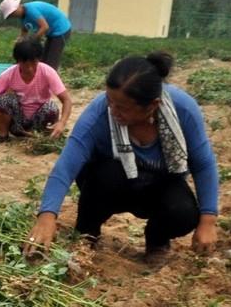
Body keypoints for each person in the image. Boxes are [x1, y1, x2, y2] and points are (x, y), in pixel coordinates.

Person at [24, 52, 219, 262]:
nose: (112, 110)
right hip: (111, 182)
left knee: (184, 213)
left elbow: (204, 165)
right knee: (102, 174)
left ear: (152, 106)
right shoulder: (100, 113)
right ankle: (87, 232)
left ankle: (157, 240)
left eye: (122, 108)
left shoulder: (183, 111)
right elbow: (66, 165)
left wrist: (208, 221)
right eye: (110, 101)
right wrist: (46, 215)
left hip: (160, 184)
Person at [0, 36, 72, 144]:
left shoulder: (48, 72)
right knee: (3, 100)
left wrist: (62, 122)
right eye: (25, 64)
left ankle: (42, 136)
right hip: (17, 124)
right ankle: (3, 135)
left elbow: (66, 100)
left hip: (38, 123)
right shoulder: (9, 74)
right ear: (18, 61)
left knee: (52, 108)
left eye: (33, 63)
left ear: (39, 59)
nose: (29, 68)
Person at [0, 0, 72, 70]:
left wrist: (32, 40)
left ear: (17, 7)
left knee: (51, 61)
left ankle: (51, 79)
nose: (13, 16)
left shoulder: (31, 10)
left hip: (61, 30)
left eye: (13, 14)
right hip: (51, 33)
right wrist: (19, 41)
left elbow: (45, 27)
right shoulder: (23, 17)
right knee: (43, 60)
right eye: (11, 16)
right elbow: (24, 30)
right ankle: (42, 77)